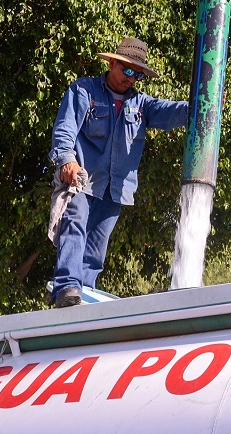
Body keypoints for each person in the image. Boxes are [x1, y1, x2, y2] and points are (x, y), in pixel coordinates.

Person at [48, 37, 188, 308]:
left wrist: (204, 103)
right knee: (75, 220)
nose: (131, 78)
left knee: (96, 249)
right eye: (127, 70)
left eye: (137, 74)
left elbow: (171, 112)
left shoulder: (142, 105)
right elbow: (65, 129)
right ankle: (67, 286)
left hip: (115, 189)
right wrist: (67, 160)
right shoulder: (83, 91)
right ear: (112, 62)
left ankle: (82, 296)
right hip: (81, 179)